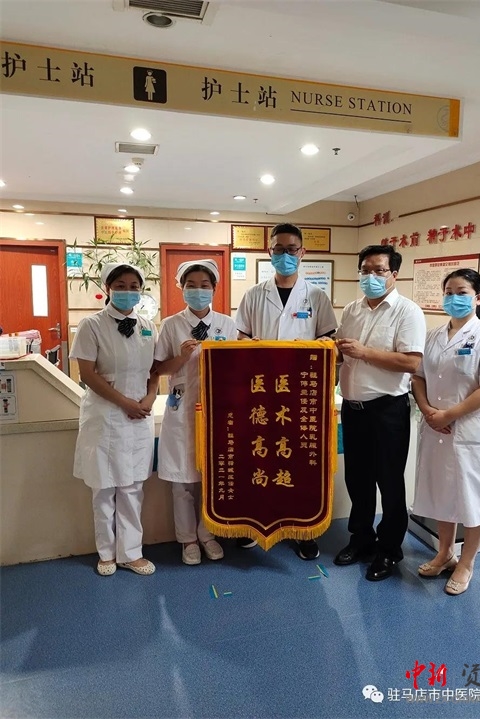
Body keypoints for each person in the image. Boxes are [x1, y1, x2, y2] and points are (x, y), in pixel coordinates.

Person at [235, 222, 337, 560]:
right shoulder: (254, 294)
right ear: (270, 252)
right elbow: (240, 338)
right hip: (261, 394)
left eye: (291, 249)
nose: (285, 255)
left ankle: (302, 530)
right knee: (260, 456)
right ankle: (255, 524)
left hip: (301, 396)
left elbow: (329, 341)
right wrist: (255, 347)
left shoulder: (317, 297)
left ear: (302, 252)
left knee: (299, 463)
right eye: (278, 249)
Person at [412, 269, 480, 595]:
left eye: (462, 292)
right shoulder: (433, 336)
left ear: (478, 298)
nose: (454, 298)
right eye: (449, 292)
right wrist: (428, 411)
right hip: (436, 428)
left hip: (469, 431)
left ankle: (466, 563)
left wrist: (448, 415)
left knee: (472, 497)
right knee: (443, 492)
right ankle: (444, 553)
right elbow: (418, 377)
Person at [334, 245, 426, 581]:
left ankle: (389, 550)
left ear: (394, 274)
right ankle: (361, 539)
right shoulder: (352, 309)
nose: (370, 277)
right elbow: (342, 353)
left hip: (387, 410)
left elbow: (411, 362)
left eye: (378, 270)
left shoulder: (408, 312)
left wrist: (364, 352)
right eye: (365, 270)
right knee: (357, 479)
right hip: (353, 409)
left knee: (389, 481)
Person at [70, 263, 159, 576]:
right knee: (104, 488)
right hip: (105, 414)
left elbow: (155, 370)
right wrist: (125, 403)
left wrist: (149, 399)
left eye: (134, 286)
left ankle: (131, 553)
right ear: (108, 288)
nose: (127, 291)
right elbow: (87, 374)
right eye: (120, 285)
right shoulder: (91, 325)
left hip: (139, 416)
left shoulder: (148, 326)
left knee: (133, 488)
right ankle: (106, 553)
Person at [153, 260, 237, 565]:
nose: (198, 291)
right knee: (183, 481)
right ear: (182, 288)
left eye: (204, 285)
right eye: (191, 285)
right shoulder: (171, 325)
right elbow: (158, 369)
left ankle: (207, 534)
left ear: (214, 288)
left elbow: (237, 367)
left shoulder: (227, 324)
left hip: (217, 411)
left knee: (212, 477)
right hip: (182, 409)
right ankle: (187, 539)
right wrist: (181, 357)